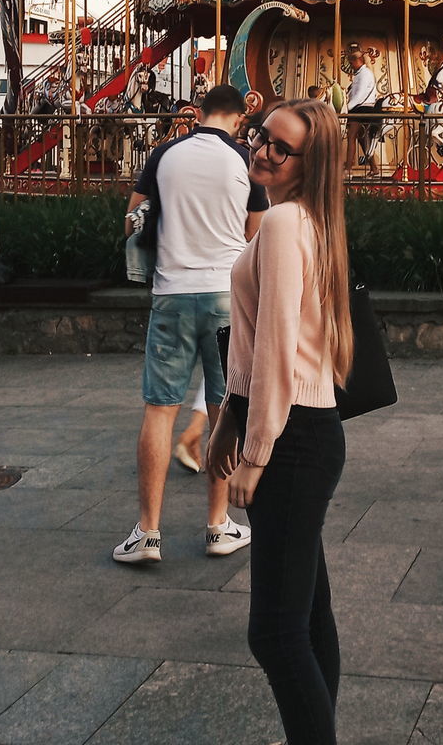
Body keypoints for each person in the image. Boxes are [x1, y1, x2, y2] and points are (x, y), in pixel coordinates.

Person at [207, 98, 353, 745]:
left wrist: (257, 448)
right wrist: (227, 423)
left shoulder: (288, 223)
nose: (263, 150)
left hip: (293, 439)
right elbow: (262, 342)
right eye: (262, 136)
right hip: (301, 431)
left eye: (281, 147)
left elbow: (276, 343)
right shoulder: (305, 220)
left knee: (274, 631)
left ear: (308, 163)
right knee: (308, 616)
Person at [114, 83, 267, 564]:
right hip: (226, 296)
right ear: (239, 119)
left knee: (161, 409)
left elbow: (130, 222)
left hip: (173, 294)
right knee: (222, 408)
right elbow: (254, 234)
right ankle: (218, 525)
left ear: (199, 112)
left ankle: (148, 532)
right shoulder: (245, 159)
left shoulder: (163, 154)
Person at [344, 48, 378, 174]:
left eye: (351, 63)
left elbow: (360, 94)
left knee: (351, 136)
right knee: (363, 139)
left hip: (361, 107)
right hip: (360, 107)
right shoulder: (360, 74)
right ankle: (374, 168)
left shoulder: (365, 74)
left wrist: (347, 109)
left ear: (358, 60)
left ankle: (348, 169)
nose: (351, 66)